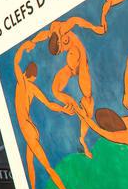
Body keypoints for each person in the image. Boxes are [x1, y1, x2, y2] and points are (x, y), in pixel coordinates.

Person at [13, 41, 78, 189]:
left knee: (47, 166)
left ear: (26, 74)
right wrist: (63, 109)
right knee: (30, 164)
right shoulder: (30, 86)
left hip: (28, 129)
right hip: (29, 129)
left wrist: (23, 47)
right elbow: (49, 104)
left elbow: (15, 62)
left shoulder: (23, 84)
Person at [25, 17, 104, 157]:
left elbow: (75, 20)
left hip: (81, 65)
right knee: (55, 90)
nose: (62, 51)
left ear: (61, 40)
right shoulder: (52, 31)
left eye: (61, 49)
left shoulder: (63, 28)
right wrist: (32, 42)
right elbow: (43, 36)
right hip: (70, 67)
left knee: (88, 99)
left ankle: (82, 138)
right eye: (60, 51)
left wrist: (93, 27)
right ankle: (72, 103)